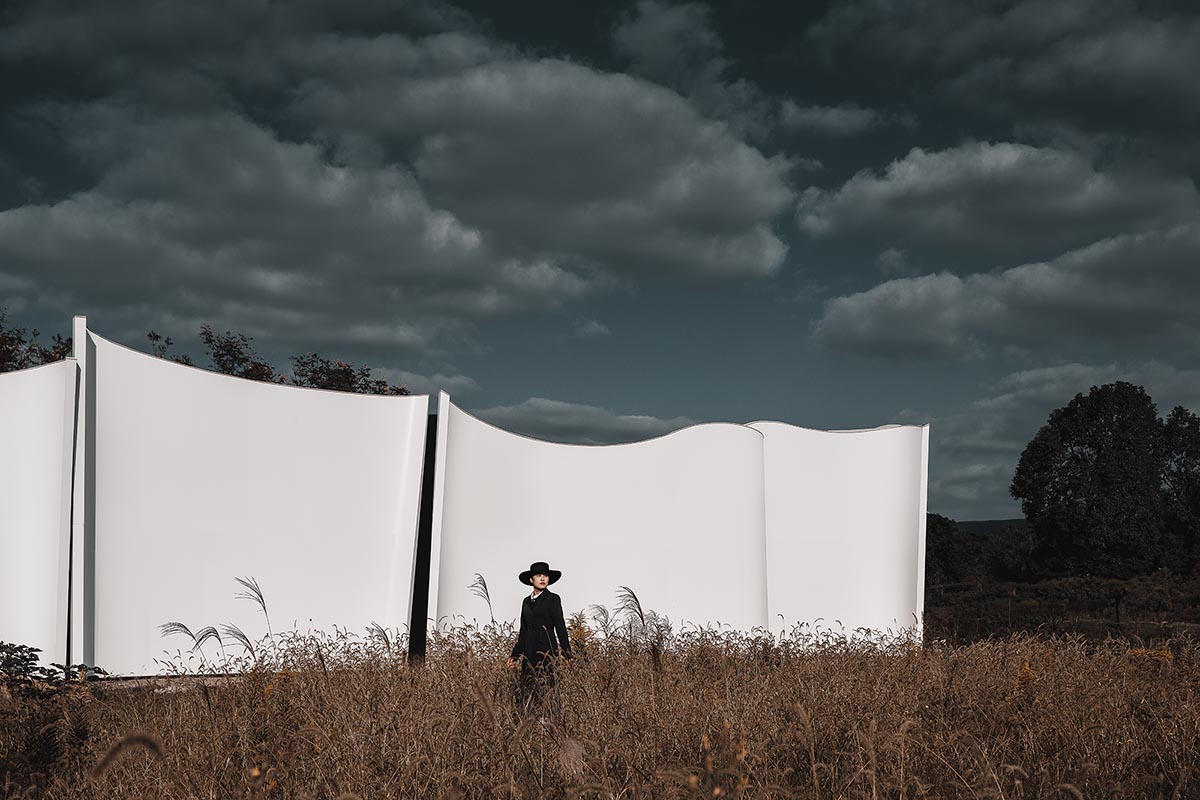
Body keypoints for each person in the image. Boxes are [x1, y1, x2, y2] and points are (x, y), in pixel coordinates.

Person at [507, 560, 571, 711]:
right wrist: (515, 654)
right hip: (529, 648)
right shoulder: (526, 602)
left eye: (545, 576)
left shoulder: (553, 599)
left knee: (549, 688)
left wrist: (567, 654)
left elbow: (560, 627)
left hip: (547, 647)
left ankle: (553, 722)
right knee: (527, 689)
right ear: (531, 579)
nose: (543, 579)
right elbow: (523, 630)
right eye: (538, 575)